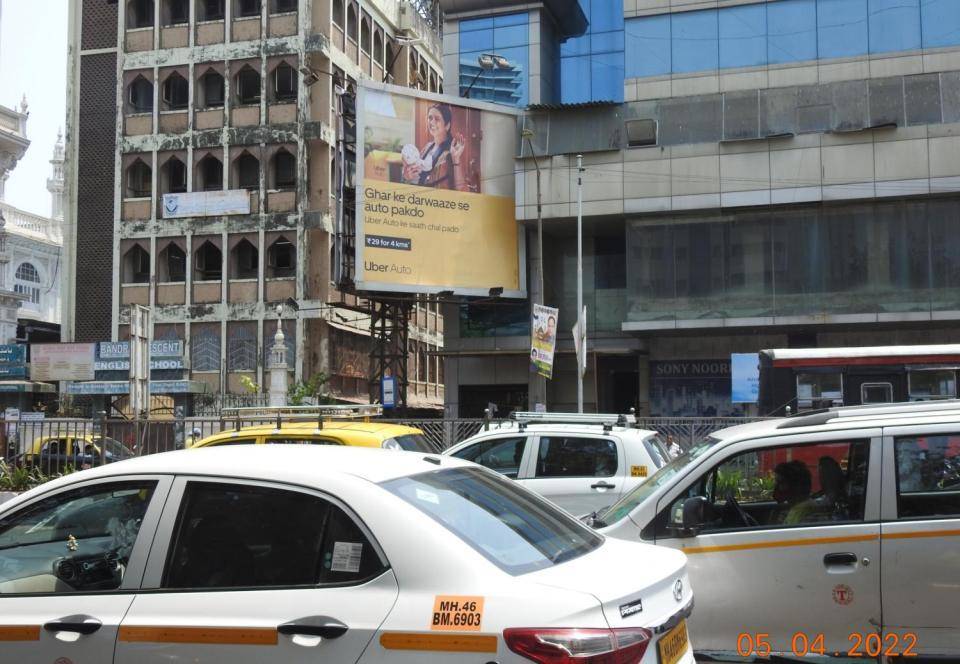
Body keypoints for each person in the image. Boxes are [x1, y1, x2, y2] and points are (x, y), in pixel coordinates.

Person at [402, 103, 468, 191]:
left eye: (437, 119)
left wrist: (456, 160)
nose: (432, 122)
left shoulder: (455, 152)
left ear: (447, 125)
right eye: (430, 118)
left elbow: (462, 191)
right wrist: (407, 176)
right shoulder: (427, 147)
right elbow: (415, 177)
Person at [773, 460, 815, 525]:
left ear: (795, 485)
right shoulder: (794, 508)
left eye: (781, 482)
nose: (777, 487)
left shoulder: (806, 511)